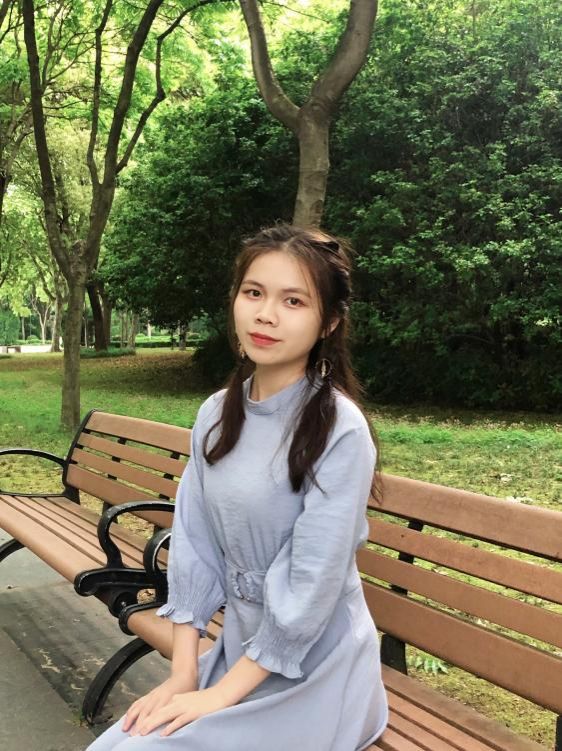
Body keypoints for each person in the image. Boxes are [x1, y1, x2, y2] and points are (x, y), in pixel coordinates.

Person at [86, 224, 389, 750]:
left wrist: (219, 696)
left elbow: (310, 588)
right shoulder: (216, 414)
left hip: (315, 669)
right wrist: (185, 675)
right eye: (254, 292)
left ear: (329, 322)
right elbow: (195, 546)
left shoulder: (339, 430)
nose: (266, 314)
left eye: (293, 301)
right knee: (119, 743)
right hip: (239, 651)